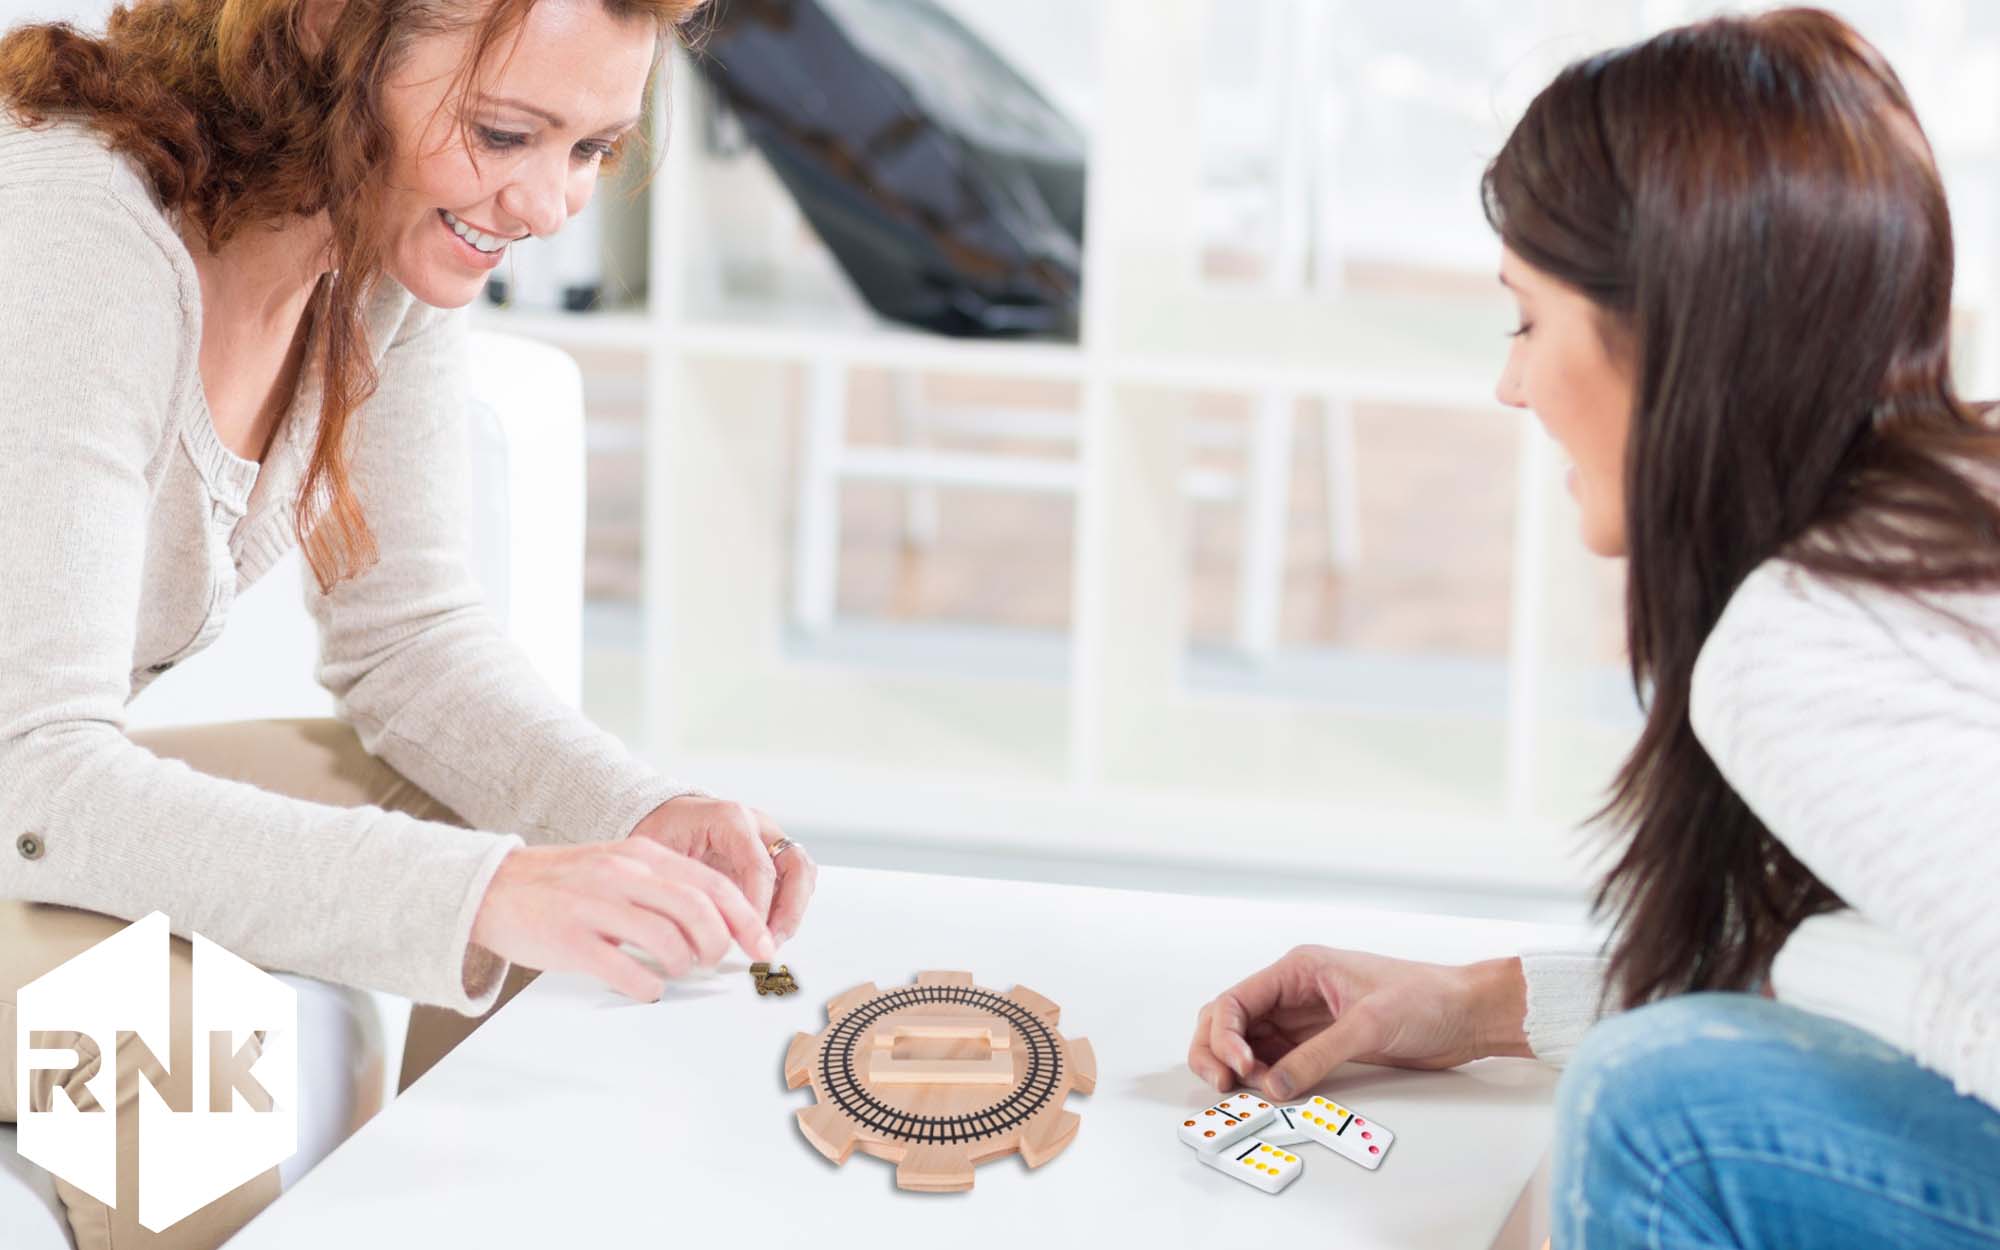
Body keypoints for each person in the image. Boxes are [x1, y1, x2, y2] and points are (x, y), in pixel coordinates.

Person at [0, 0, 816, 1244]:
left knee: (563, 846)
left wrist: (634, 815)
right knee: (177, 1048)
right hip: (25, 778)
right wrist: (486, 892)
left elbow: (411, 642)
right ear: (334, 42)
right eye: (504, 133)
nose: (546, 207)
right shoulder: (74, 232)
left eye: (592, 150)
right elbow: (41, 772)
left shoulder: (376, 247)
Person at [1188, 10, 2000, 1247]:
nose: (1508, 384)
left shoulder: (1795, 649)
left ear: (1673, 331)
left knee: (1657, 1104)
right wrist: (1482, 1005)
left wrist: (1794, 981)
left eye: (1524, 318)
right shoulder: (1943, 508)